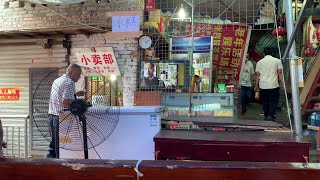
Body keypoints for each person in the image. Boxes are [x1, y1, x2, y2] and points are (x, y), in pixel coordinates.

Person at [46, 64, 84, 158]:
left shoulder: (57, 80)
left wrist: (76, 94)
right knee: (59, 147)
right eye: (78, 74)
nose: (79, 77)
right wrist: (77, 108)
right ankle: (55, 166)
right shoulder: (69, 82)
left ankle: (50, 163)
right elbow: (65, 102)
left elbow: (60, 96)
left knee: (54, 144)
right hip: (60, 118)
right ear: (71, 72)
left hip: (51, 116)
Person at [254, 48, 284, 121]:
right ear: (272, 53)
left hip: (263, 85)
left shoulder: (259, 62)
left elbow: (257, 75)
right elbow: (279, 72)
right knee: (273, 101)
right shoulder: (277, 61)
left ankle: (266, 114)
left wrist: (256, 85)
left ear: (264, 53)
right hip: (274, 85)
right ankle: (271, 115)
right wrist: (283, 83)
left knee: (265, 101)